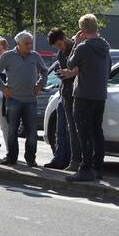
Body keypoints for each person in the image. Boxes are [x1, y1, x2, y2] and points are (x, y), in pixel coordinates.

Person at [60, 14, 111, 182]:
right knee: (97, 131)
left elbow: (70, 64)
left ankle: (85, 169)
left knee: (83, 133)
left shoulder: (83, 47)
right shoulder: (105, 46)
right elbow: (108, 69)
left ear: (82, 30)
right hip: (99, 95)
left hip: (83, 94)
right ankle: (97, 168)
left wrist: (75, 44)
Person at [0, 30, 48, 167]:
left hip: (30, 100)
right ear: (18, 43)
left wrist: (40, 84)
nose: (30, 46)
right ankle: (11, 158)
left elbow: (44, 71)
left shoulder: (35, 56)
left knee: (32, 132)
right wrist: (3, 88)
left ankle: (30, 159)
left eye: (31, 43)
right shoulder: (8, 56)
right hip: (13, 99)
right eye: (26, 43)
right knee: (12, 131)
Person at [45, 28, 82, 171]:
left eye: (59, 45)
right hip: (64, 92)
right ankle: (59, 158)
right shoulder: (61, 53)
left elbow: (76, 68)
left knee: (73, 130)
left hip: (75, 93)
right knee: (60, 129)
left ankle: (75, 160)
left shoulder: (77, 48)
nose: (59, 48)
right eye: (56, 46)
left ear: (64, 38)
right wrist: (60, 73)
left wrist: (69, 73)